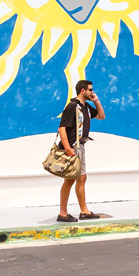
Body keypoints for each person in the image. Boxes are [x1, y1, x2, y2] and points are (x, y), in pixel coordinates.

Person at [57, 80, 105, 222]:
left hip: (81, 146)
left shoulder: (86, 107)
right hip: (72, 147)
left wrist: (96, 101)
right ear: (82, 91)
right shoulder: (72, 107)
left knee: (81, 178)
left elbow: (101, 116)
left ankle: (84, 211)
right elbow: (62, 128)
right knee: (69, 180)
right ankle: (63, 213)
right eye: (90, 90)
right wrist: (67, 148)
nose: (93, 92)